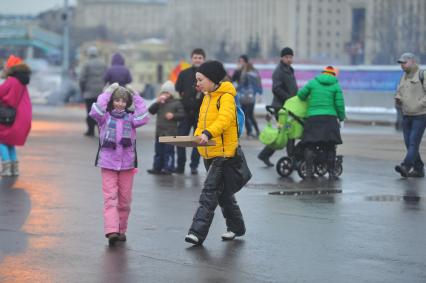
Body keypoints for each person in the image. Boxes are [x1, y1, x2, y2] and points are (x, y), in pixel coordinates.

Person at [185, 60, 246, 245]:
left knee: (209, 192)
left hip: (223, 153)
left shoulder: (225, 96)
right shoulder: (207, 96)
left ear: (211, 79)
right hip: (209, 151)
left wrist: (207, 133)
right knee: (223, 194)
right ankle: (237, 228)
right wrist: (197, 137)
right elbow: (201, 123)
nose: (197, 83)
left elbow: (225, 120)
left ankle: (196, 233)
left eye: (200, 79)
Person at [89, 83, 149, 245]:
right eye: (117, 100)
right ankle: (111, 230)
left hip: (127, 165)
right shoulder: (104, 117)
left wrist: (135, 94)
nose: (120, 103)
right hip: (108, 164)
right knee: (110, 198)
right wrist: (108, 92)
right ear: (112, 101)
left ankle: (121, 230)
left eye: (123, 100)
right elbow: (96, 110)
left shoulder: (131, 119)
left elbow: (143, 116)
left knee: (124, 200)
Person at [297, 66, 345, 180]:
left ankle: (309, 172)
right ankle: (332, 172)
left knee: (310, 146)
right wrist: (342, 117)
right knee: (330, 146)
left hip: (313, 118)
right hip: (330, 119)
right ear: (333, 74)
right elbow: (339, 104)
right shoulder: (336, 85)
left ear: (323, 73)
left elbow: (301, 95)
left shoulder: (313, 82)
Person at [258, 47, 298, 167]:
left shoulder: (289, 70)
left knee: (284, 133)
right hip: (281, 107)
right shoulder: (279, 71)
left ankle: (265, 154)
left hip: (288, 106)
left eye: (291, 57)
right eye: (286, 57)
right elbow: (276, 89)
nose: (289, 59)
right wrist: (289, 99)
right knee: (288, 132)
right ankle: (292, 160)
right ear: (282, 58)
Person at [394, 52, 426, 178]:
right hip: (406, 114)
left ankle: (406, 166)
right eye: (401, 63)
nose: (402, 65)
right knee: (408, 143)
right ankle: (418, 168)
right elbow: (400, 91)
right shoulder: (404, 76)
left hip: (420, 115)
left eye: (404, 62)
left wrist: (419, 104)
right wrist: (398, 98)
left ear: (412, 61)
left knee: (413, 143)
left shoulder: (422, 74)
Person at [175, 48, 206, 175]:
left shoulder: (207, 75)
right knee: (181, 140)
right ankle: (180, 165)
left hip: (201, 113)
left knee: (198, 141)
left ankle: (194, 165)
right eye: (195, 57)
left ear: (203, 59)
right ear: (191, 59)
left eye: (200, 58)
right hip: (185, 112)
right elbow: (178, 89)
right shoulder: (184, 73)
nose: (197, 60)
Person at [0, 55, 32, 177]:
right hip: (21, 116)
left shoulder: (12, 81)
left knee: (1, 140)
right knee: (9, 142)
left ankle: (6, 168)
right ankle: (14, 168)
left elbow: (4, 95)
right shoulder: (22, 81)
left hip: (11, 116)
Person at [147, 80, 185, 175]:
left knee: (169, 152)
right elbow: (151, 111)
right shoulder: (160, 103)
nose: (165, 94)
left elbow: (182, 115)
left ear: (171, 93)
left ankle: (168, 168)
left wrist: (173, 115)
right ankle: (157, 168)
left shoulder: (176, 103)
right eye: (163, 92)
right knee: (158, 152)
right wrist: (157, 102)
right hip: (159, 132)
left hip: (170, 132)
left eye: (167, 92)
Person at [79, 46, 107, 137]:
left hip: (89, 92)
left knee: (90, 112)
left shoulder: (86, 64)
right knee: (100, 112)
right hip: (100, 92)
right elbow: (106, 76)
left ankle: (90, 131)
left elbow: (82, 79)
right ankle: (100, 130)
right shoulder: (103, 64)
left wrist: (82, 90)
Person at [234, 55, 262, 138]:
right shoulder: (240, 71)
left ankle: (254, 131)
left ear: (245, 62)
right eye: (239, 61)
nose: (240, 63)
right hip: (243, 96)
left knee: (248, 114)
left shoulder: (249, 71)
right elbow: (233, 79)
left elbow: (256, 83)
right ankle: (251, 131)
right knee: (246, 114)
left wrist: (259, 93)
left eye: (241, 61)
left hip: (249, 96)